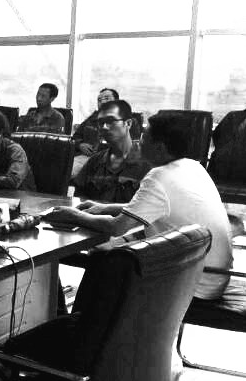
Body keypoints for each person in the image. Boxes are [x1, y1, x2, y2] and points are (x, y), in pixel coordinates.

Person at [45, 111, 232, 300]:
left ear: (160, 148)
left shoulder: (159, 177)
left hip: (193, 285)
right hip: (213, 276)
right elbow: (157, 207)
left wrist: (73, 215)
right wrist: (105, 208)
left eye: (144, 137)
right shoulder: (192, 166)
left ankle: (87, 313)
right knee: (105, 251)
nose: (138, 142)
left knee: (105, 258)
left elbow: (117, 227)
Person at [72, 99, 150, 204]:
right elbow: (79, 198)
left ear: (128, 123)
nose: (104, 127)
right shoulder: (95, 162)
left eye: (110, 121)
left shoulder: (147, 164)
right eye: (100, 123)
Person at [73, 88, 120, 158]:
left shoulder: (126, 122)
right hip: (86, 157)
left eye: (107, 98)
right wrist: (80, 145)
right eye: (99, 100)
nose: (103, 102)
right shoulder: (92, 119)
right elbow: (75, 138)